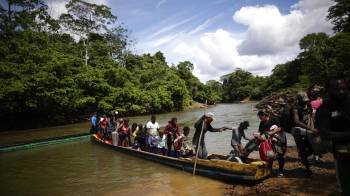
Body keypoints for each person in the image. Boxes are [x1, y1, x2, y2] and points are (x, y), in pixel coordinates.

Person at [316, 77, 350, 195]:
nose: (341, 91)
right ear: (329, 90)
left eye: (344, 88)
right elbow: (325, 134)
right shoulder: (324, 109)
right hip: (343, 150)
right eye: (337, 89)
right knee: (345, 183)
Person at [291, 92, 316, 175]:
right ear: (299, 100)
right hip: (299, 131)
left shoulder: (308, 105)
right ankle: (307, 168)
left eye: (306, 100)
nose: (305, 102)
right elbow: (296, 121)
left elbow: (311, 115)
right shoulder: (295, 107)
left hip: (308, 129)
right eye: (303, 101)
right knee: (303, 149)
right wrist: (310, 128)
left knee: (312, 147)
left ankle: (305, 161)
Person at [256, 111, 287, 177]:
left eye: (260, 117)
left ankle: (281, 171)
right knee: (270, 155)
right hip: (269, 141)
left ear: (264, 115)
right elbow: (260, 132)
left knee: (279, 155)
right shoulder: (262, 122)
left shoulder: (274, 119)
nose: (260, 118)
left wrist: (271, 132)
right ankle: (270, 170)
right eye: (259, 117)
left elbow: (281, 128)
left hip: (279, 139)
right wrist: (257, 135)